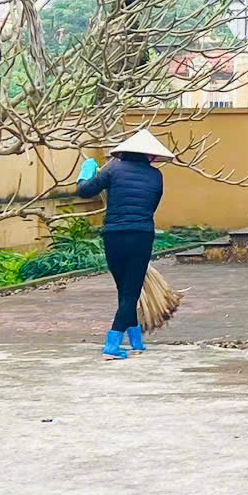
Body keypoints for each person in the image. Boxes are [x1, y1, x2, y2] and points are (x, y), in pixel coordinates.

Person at [75, 128, 173, 358]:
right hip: (141, 235)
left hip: (113, 235)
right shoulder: (156, 176)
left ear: (124, 152)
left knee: (125, 290)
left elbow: (84, 191)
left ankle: (136, 341)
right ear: (149, 155)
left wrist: (86, 172)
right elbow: (152, 205)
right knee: (130, 291)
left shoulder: (112, 169)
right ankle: (112, 345)